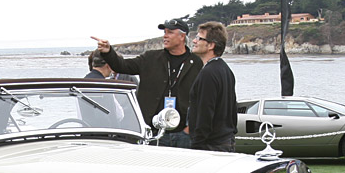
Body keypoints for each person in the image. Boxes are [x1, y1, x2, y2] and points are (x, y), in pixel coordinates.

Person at [93, 18, 202, 147]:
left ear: (182, 36)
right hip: (153, 132)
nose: (165, 36)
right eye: (164, 32)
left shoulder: (196, 63)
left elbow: (201, 99)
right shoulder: (150, 58)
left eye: (170, 32)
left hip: (183, 133)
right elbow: (122, 66)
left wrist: (189, 129)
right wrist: (108, 52)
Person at [187, 22, 237, 151]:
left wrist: (197, 144)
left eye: (199, 38)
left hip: (211, 145)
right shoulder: (225, 69)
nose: (194, 41)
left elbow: (205, 112)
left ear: (211, 45)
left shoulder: (208, 73)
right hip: (225, 140)